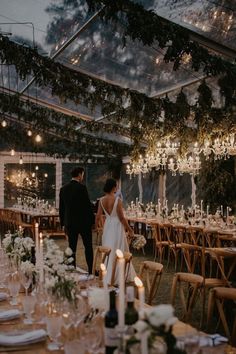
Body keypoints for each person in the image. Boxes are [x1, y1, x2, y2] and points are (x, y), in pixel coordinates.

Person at [95, 178, 135, 285]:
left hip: (107, 226)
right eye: (116, 186)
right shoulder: (117, 200)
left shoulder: (101, 200)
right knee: (118, 248)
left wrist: (96, 227)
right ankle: (118, 275)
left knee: (108, 249)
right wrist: (130, 230)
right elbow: (122, 218)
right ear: (113, 187)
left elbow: (98, 216)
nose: (117, 188)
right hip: (117, 226)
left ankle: (108, 274)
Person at [59, 166, 94, 273]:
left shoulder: (63, 189)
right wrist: (92, 221)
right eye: (82, 174)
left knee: (71, 248)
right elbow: (87, 206)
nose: (83, 176)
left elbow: (62, 208)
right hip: (83, 222)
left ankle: (72, 270)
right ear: (79, 174)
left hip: (70, 223)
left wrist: (63, 224)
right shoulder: (82, 188)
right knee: (88, 247)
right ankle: (90, 270)